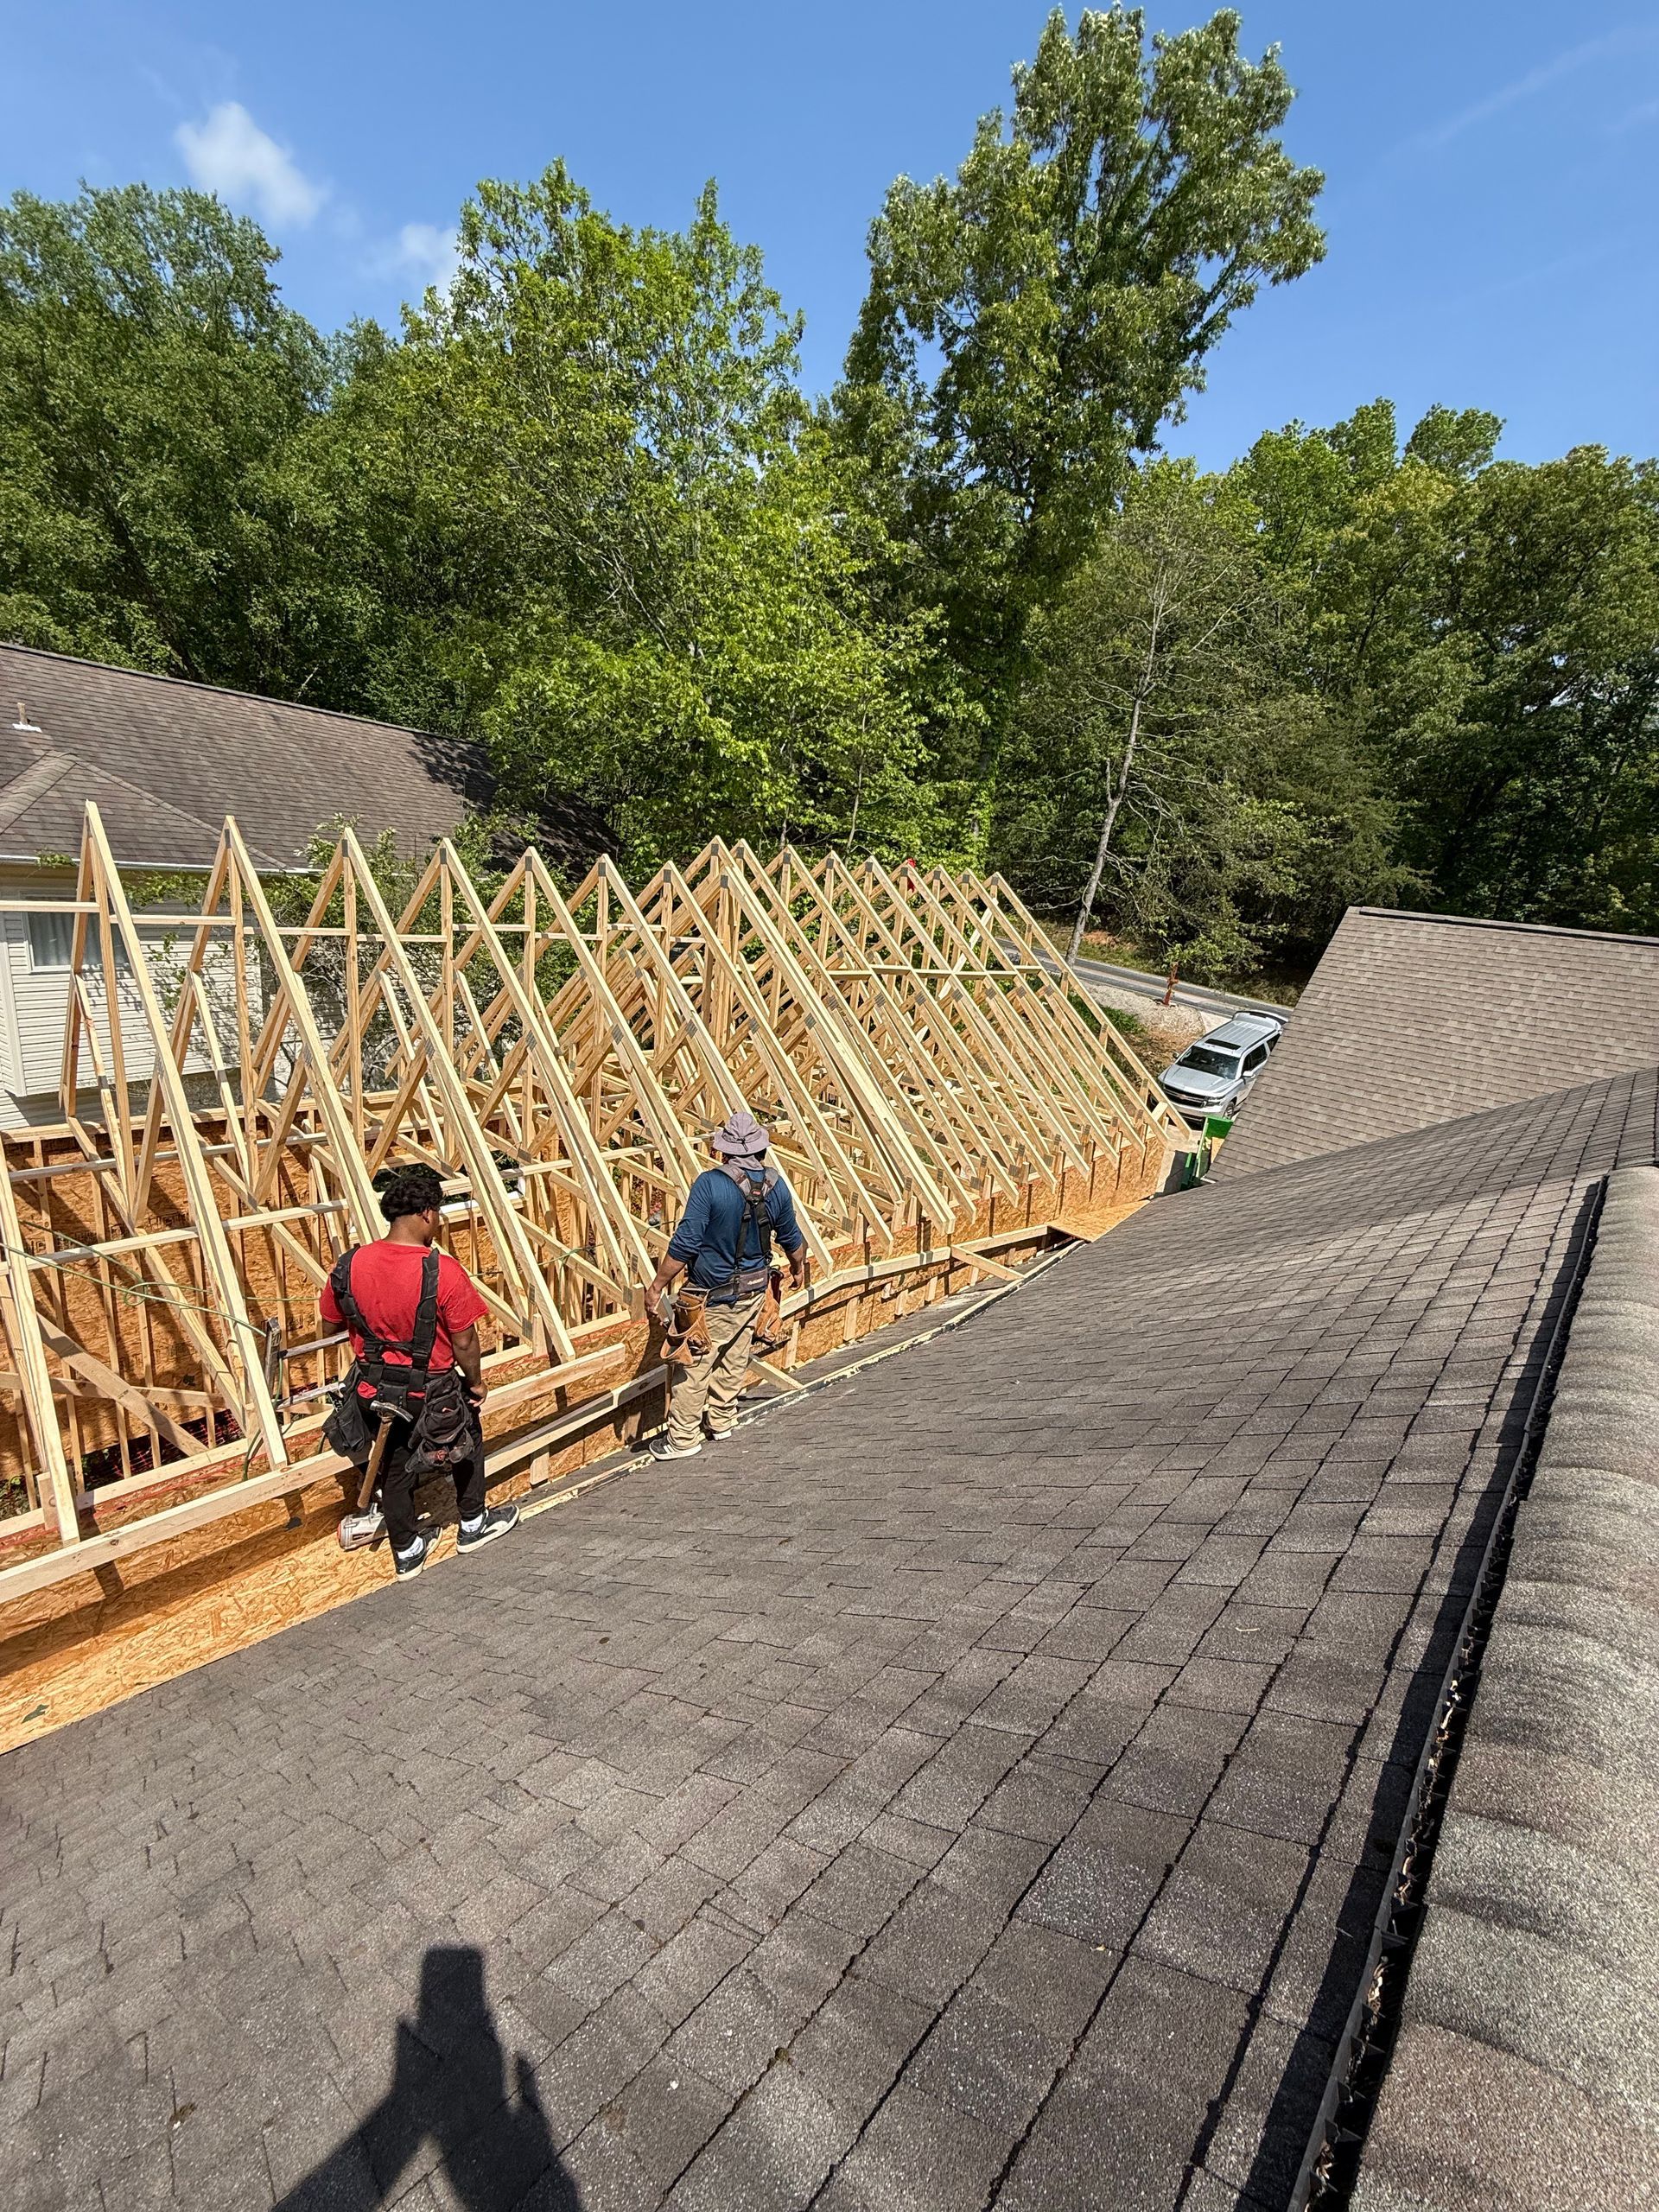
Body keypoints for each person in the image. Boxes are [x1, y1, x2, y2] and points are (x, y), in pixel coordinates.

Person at [321, 1163, 518, 1579]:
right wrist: (477, 1383)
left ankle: (407, 1551)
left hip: (373, 1388)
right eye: (439, 1214)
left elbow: (330, 1326)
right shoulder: (440, 1269)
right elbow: (464, 1340)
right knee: (467, 1443)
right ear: (427, 1213)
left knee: (392, 1464)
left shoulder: (350, 1265)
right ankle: (472, 1524)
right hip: (433, 1387)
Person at [644, 1109, 808, 1459]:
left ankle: (683, 1439)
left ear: (725, 1151)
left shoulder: (710, 1185)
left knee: (695, 1363)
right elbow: (792, 1239)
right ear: (761, 1151)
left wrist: (657, 1286)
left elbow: (686, 1242)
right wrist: (798, 1270)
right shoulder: (776, 1186)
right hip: (754, 1289)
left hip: (712, 1295)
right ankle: (721, 1419)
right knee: (735, 1353)